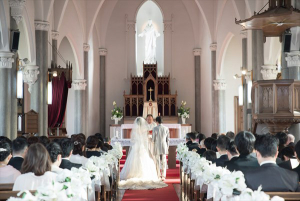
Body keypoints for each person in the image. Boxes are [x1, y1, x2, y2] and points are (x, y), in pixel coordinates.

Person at [119, 117, 167, 189]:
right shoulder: (144, 130)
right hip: (142, 147)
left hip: (136, 147)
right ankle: (158, 175)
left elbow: (132, 140)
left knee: (133, 160)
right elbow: (146, 139)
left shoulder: (134, 131)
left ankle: (131, 174)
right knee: (147, 159)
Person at [153, 116, 170, 180]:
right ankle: (163, 176)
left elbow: (153, 139)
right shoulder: (166, 128)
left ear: (156, 121)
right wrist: (167, 147)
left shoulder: (155, 128)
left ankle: (158, 175)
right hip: (164, 146)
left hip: (157, 145)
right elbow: (168, 139)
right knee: (164, 161)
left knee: (157, 161)